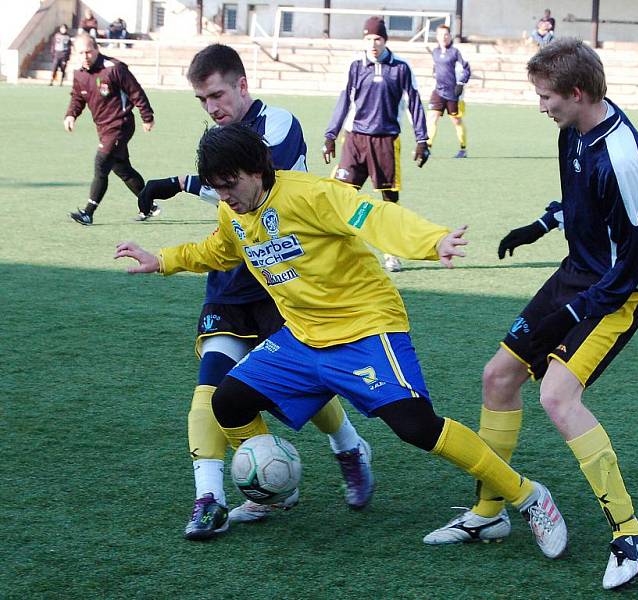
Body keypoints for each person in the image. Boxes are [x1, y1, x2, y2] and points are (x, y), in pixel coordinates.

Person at [115, 123, 568, 560]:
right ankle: (270, 490)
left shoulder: (312, 194)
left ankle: (529, 497)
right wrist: (163, 259)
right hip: (302, 336)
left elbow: (375, 215)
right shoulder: (233, 211)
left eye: (231, 184)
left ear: (257, 169)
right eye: (218, 187)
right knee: (229, 400)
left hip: (365, 328)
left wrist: (432, 242)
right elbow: (220, 250)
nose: (226, 196)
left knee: (415, 426)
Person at [424, 38, 638, 591]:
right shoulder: (572, 130)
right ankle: (489, 513)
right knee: (497, 377)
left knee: (557, 396)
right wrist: (542, 223)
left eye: (546, 96)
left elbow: (634, 263)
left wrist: (577, 310)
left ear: (577, 93)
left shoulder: (624, 158)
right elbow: (580, 199)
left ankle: (630, 531)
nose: (541, 105)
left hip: (621, 290)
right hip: (579, 271)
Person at [135, 44, 374, 541]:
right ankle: (213, 498)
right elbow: (227, 201)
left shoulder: (279, 125)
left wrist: (182, 181)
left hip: (282, 283)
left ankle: (349, 447)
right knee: (211, 392)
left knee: (308, 389)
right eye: (202, 100)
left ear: (243, 85)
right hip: (229, 285)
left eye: (217, 94)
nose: (212, 107)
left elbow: (255, 187)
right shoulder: (221, 136)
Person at [323, 16, 430, 273]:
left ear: (385, 40)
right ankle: (333, 252)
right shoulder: (356, 67)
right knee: (338, 196)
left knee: (388, 201)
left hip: (386, 141)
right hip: (355, 139)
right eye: (369, 39)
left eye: (378, 39)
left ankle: (391, 253)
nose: (373, 44)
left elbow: (414, 104)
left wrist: (422, 139)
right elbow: (343, 102)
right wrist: (330, 135)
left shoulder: (401, 68)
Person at [64, 34, 155, 226]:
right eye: (81, 53)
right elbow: (77, 98)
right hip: (103, 128)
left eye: (88, 51)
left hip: (120, 124)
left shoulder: (114, 68)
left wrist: (147, 116)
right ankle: (149, 205)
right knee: (122, 169)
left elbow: (136, 92)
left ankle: (88, 213)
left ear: (96, 49)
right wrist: (71, 115)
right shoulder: (79, 74)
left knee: (101, 164)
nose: (85, 56)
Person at [426, 24, 471, 159]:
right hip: (438, 91)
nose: (443, 37)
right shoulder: (435, 52)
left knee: (457, 121)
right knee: (432, 117)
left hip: (453, 94)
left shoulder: (455, 52)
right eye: (440, 35)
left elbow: (467, 69)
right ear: (437, 37)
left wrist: (461, 83)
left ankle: (463, 149)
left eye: (446, 34)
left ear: (450, 36)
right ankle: (427, 148)